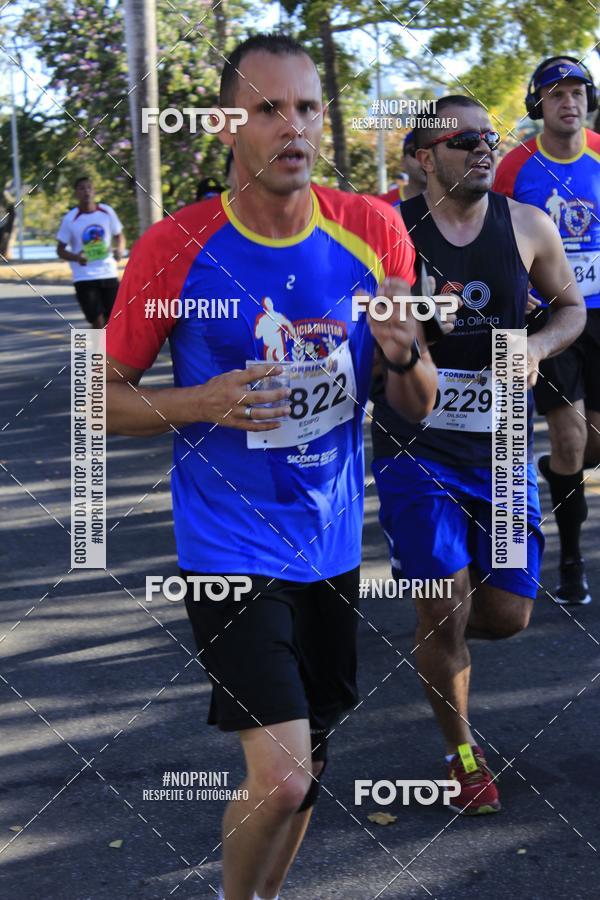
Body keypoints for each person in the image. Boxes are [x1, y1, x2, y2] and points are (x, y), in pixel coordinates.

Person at [106, 33, 439, 900]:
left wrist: (405, 360)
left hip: (329, 549)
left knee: (308, 771)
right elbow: (95, 399)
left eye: (307, 108)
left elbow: (418, 404)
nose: (292, 127)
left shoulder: (373, 230)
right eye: (268, 109)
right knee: (285, 773)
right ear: (227, 125)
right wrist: (201, 401)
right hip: (227, 551)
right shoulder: (175, 247)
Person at [371, 95, 586, 815]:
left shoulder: (527, 226)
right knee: (443, 606)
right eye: (464, 140)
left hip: (497, 447)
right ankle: (462, 753)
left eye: (490, 137)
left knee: (504, 615)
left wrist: (536, 344)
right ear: (425, 157)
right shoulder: (391, 237)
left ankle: (443, 628)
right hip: (415, 447)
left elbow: (571, 309)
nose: (484, 148)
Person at [494, 56, 600, 605]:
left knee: (590, 448)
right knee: (570, 437)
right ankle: (572, 559)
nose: (569, 101)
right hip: (550, 318)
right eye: (556, 93)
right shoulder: (514, 167)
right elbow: (489, 229)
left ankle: (558, 473)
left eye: (578, 91)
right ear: (539, 104)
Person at [56, 176, 124, 328]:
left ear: (94, 191)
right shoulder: (70, 219)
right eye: (81, 188)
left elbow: (119, 236)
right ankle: (98, 352)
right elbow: (60, 250)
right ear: (76, 193)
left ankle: (106, 351)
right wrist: (76, 257)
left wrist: (119, 250)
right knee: (97, 321)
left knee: (113, 321)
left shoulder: (107, 212)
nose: (86, 191)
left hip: (108, 273)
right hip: (84, 277)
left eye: (89, 187)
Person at [380, 130, 427, 206]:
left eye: (433, 151)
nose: (426, 159)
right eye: (414, 152)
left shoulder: (452, 204)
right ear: (403, 162)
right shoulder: (381, 206)